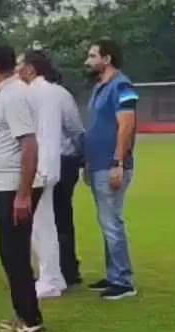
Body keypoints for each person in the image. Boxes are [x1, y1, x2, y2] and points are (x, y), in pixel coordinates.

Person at [0, 45, 45, 332]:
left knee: (14, 254)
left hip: (13, 188)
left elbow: (29, 144)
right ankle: (24, 315)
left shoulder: (15, 94)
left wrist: (23, 194)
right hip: (4, 185)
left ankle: (31, 320)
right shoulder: (5, 93)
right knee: (12, 253)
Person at [83, 38, 139, 301]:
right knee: (107, 221)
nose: (88, 61)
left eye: (93, 56)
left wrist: (118, 161)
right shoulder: (99, 87)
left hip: (111, 164)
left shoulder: (122, 85)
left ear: (107, 59)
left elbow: (126, 125)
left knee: (112, 221)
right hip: (98, 163)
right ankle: (114, 272)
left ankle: (123, 281)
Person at [17, 50, 67, 299]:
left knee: (40, 226)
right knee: (44, 224)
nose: (17, 70)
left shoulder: (33, 93)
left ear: (31, 69)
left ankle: (49, 280)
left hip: (40, 166)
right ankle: (54, 276)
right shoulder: (53, 92)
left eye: (20, 65)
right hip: (49, 164)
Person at [49, 67, 86, 287]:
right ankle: (61, 268)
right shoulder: (57, 96)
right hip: (58, 160)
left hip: (63, 161)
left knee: (60, 216)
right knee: (55, 218)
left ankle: (67, 269)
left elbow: (75, 130)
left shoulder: (60, 95)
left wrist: (82, 157)